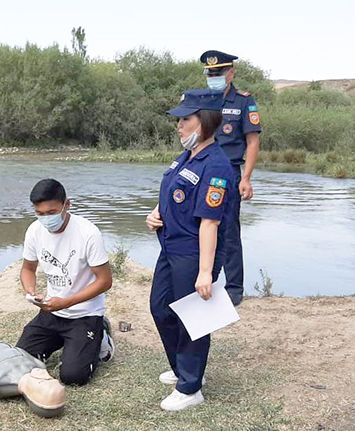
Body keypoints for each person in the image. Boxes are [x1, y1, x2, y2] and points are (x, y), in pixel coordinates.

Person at [145, 89, 234, 411]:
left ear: (205, 121)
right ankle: (182, 368)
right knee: (160, 309)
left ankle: (191, 386)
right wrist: (156, 212)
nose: (179, 126)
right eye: (179, 120)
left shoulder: (217, 167)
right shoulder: (187, 156)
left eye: (186, 119)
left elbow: (210, 223)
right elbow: (173, 191)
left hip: (195, 252)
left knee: (193, 318)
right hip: (170, 247)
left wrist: (206, 272)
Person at [16, 179, 115, 386]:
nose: (46, 219)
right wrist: (30, 290)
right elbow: (27, 269)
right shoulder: (34, 230)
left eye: (51, 212)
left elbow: (105, 281)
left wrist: (67, 302)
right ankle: (67, 341)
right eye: (40, 213)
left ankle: (101, 333)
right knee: (20, 361)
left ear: (66, 205)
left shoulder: (88, 233)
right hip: (52, 312)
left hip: (84, 313)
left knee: (73, 377)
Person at [200, 49, 262, 306]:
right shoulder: (202, 100)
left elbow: (252, 141)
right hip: (203, 171)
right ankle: (205, 281)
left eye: (218, 73)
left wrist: (245, 178)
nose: (213, 77)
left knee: (229, 231)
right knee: (200, 227)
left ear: (231, 73)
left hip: (230, 173)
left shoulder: (244, 101)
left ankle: (234, 287)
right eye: (210, 73)